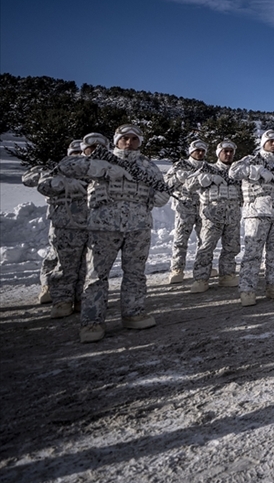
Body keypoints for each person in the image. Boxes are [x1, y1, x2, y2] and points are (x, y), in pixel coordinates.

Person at [59, 125, 169, 343]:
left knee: (135, 273)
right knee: (97, 275)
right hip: (104, 226)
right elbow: (66, 166)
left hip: (138, 227)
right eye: (124, 138)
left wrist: (154, 197)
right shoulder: (102, 158)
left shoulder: (147, 165)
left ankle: (133, 313)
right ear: (117, 140)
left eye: (134, 139)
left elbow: (162, 191)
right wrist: (104, 170)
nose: (129, 142)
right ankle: (92, 321)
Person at [229, 130, 274, 307]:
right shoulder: (251, 160)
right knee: (253, 253)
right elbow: (233, 172)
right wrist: (256, 170)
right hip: (257, 212)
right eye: (270, 141)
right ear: (263, 142)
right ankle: (247, 289)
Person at [22, 139, 90, 316]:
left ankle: (80, 298)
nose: (76, 156)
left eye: (79, 153)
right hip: (63, 223)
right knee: (60, 261)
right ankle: (58, 296)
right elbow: (32, 181)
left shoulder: (91, 169)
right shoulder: (58, 170)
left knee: (85, 264)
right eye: (73, 153)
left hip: (89, 223)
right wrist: (59, 181)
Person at [185, 140, 242, 293]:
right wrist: (206, 178)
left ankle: (227, 275)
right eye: (225, 151)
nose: (228, 154)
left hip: (233, 216)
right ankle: (201, 278)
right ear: (218, 153)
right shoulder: (207, 168)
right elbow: (188, 184)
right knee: (206, 247)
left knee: (232, 247)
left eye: (231, 151)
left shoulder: (237, 171)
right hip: (211, 216)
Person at [164, 140, 208, 283]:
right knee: (181, 239)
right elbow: (166, 185)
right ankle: (177, 269)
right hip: (185, 207)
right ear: (191, 151)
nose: (200, 153)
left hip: (203, 208)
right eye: (197, 150)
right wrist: (177, 177)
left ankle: (202, 267)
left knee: (205, 241)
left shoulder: (208, 167)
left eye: (203, 150)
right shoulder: (180, 165)